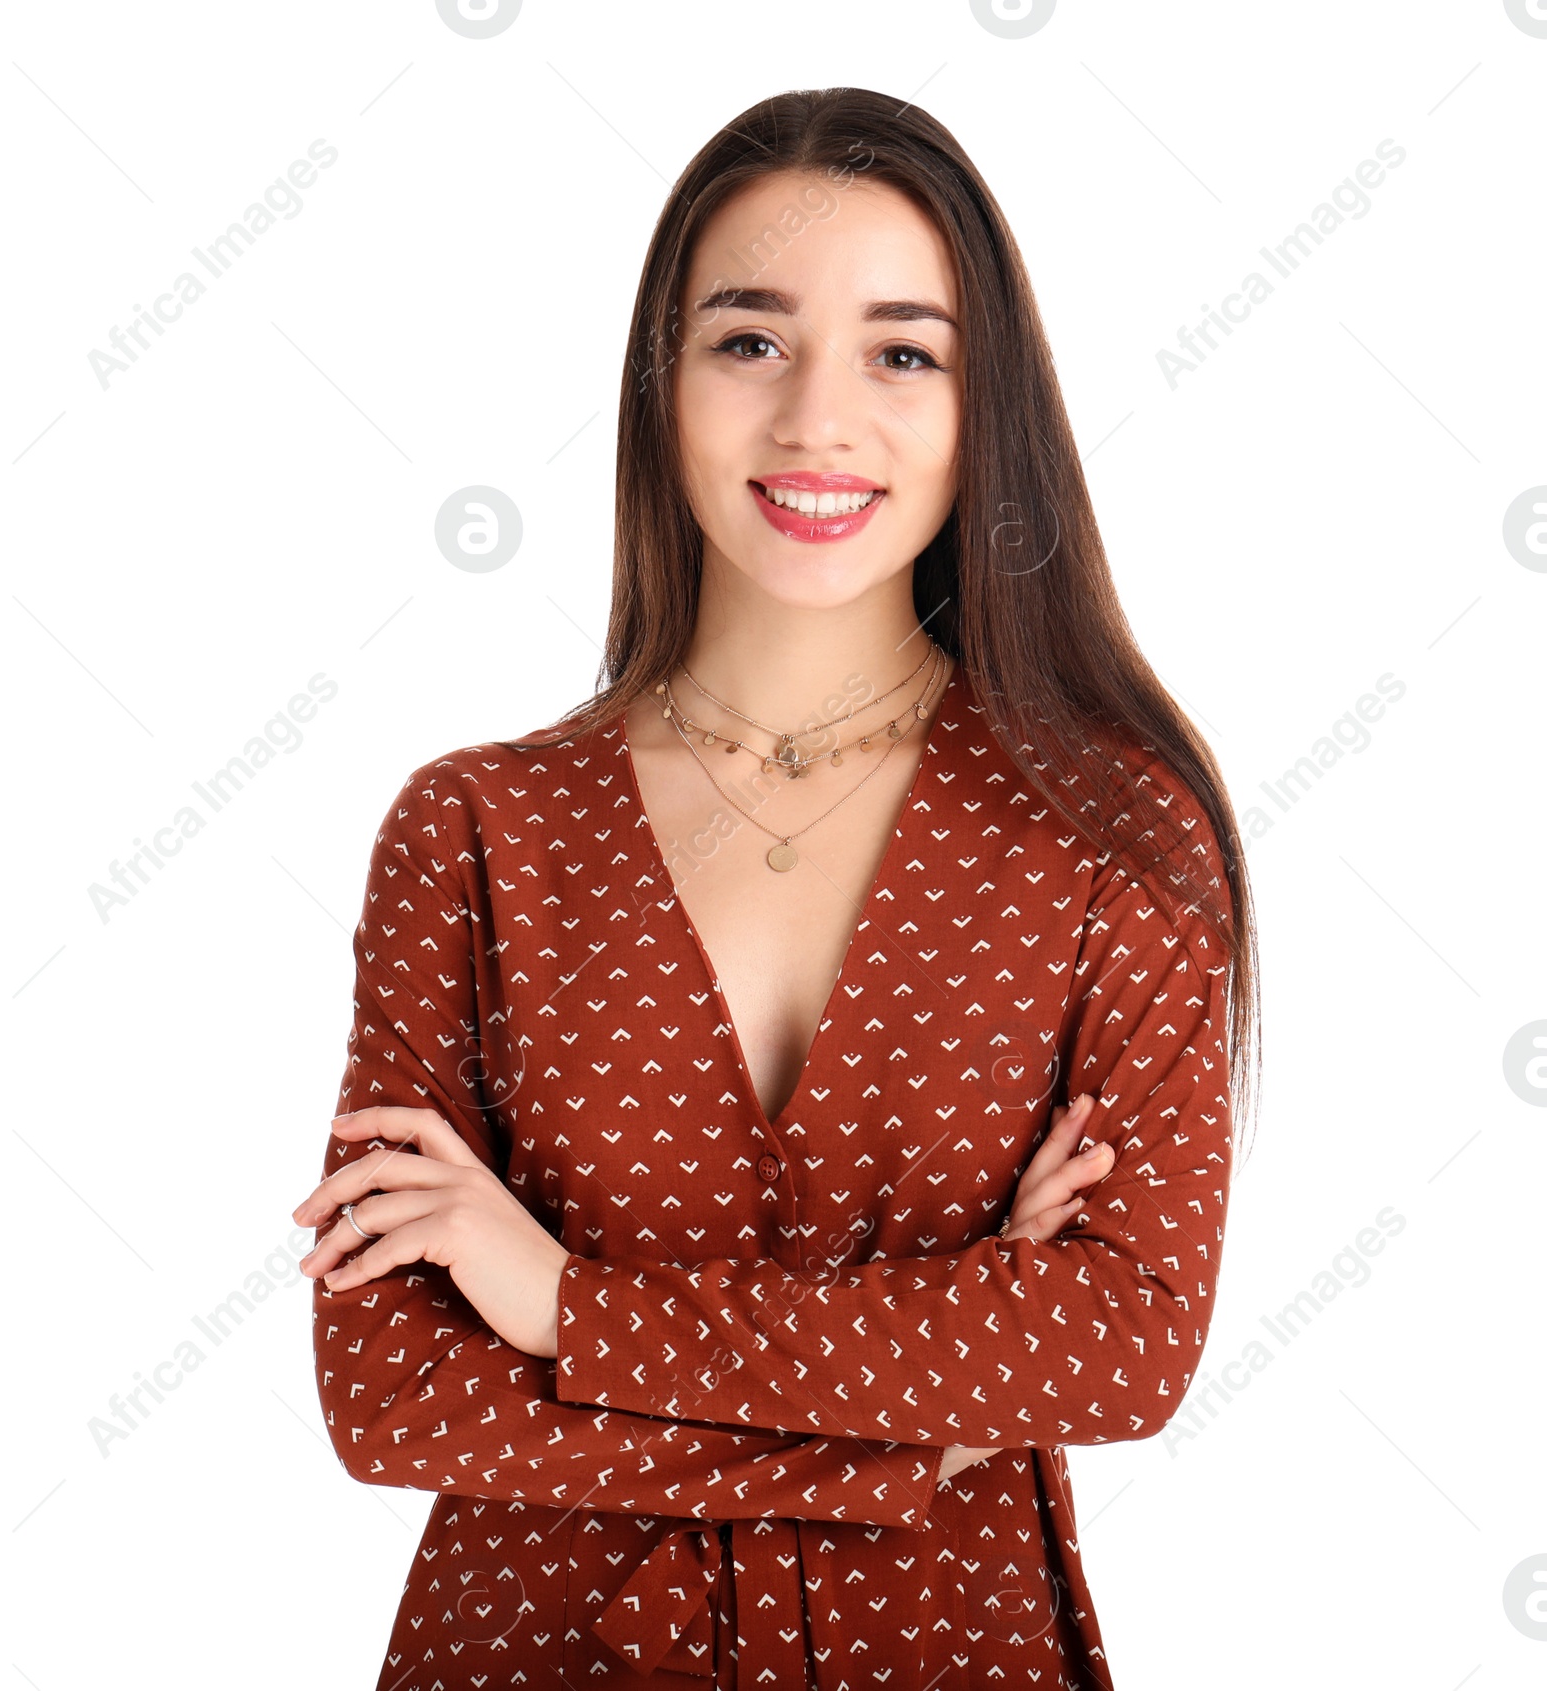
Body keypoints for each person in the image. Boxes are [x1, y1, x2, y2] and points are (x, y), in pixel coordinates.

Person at [292, 86, 1259, 1690]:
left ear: (983, 405)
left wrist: (560, 1304)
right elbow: (394, 1396)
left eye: (903, 351)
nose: (819, 418)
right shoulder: (473, 833)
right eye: (751, 340)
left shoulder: (1110, 838)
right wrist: (923, 1433)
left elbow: (1124, 1342)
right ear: (660, 384)